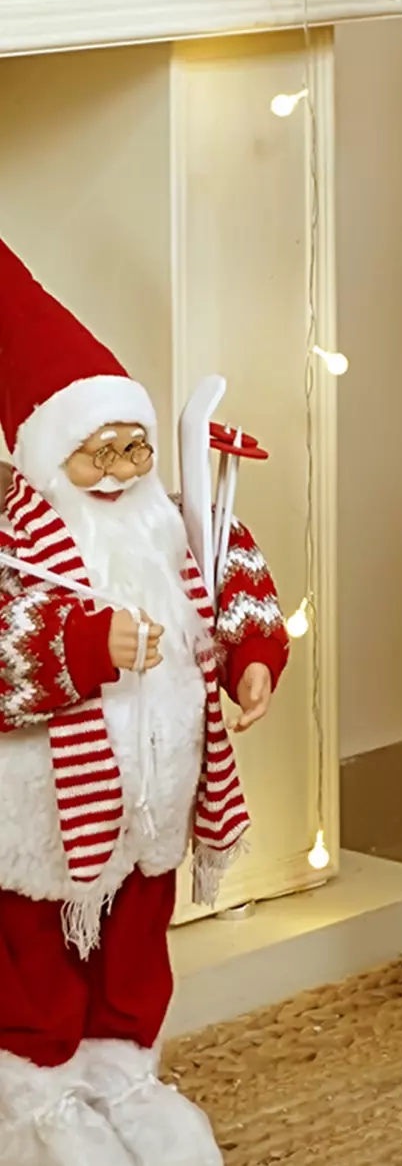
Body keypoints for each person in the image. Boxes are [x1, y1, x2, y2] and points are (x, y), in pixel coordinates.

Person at [0, 237, 289, 1166]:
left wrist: (253, 658)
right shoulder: (17, 546)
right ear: (50, 457)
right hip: (45, 815)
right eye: (97, 454)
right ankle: (36, 1096)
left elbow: (235, 578)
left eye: (134, 445)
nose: (122, 469)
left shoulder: (168, 524)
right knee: (39, 954)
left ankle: (124, 1072)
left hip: (154, 804)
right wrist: (87, 646)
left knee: (133, 945)